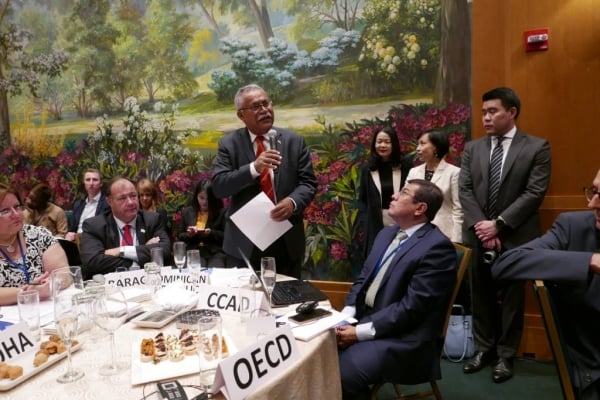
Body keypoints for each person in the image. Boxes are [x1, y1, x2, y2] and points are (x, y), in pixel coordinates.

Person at [459, 87, 551, 383]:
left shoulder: (537, 147)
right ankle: (483, 349)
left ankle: (506, 355)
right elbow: (465, 190)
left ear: (511, 112)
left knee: (513, 297)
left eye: (492, 111)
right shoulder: (473, 148)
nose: (485, 117)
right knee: (480, 293)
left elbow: (534, 192)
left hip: (516, 234)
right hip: (478, 234)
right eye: (483, 112)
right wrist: (483, 228)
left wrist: (498, 225)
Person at [337, 179, 457, 399]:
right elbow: (363, 279)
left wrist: (359, 333)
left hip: (405, 338)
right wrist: (347, 316)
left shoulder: (437, 248)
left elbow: (412, 309)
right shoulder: (387, 234)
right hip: (368, 319)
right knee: (314, 350)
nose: (393, 196)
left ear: (420, 208)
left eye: (403, 193)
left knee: (344, 374)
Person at [492, 169, 600, 400]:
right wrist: (588, 260)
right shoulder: (573, 227)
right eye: (593, 192)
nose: (592, 204)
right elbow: (507, 263)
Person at [211, 84, 317, 278]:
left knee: (287, 302)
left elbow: (308, 183)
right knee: (247, 303)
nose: (264, 110)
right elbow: (219, 187)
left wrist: (292, 202)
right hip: (244, 244)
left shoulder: (294, 141)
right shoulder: (229, 144)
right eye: (256, 106)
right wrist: (253, 168)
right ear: (241, 115)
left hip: (286, 241)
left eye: (266, 103)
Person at [79, 176, 171, 279]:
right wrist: (138, 261)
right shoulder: (94, 226)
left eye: (133, 196)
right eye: (122, 198)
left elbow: (165, 251)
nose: (131, 202)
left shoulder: (152, 220)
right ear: (109, 201)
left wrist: (121, 251)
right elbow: (92, 262)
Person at [0, 183, 69, 305]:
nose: (16, 214)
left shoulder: (39, 235)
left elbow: (63, 274)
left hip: (45, 311)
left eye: (17, 207)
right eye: (5, 211)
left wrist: (51, 284)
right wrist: (26, 293)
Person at [358, 126, 413, 258]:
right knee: (376, 258)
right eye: (379, 141)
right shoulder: (367, 168)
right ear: (374, 144)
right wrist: (366, 221)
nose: (382, 145)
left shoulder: (405, 165)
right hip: (375, 222)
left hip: (402, 220)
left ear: (394, 144)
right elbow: (363, 198)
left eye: (387, 142)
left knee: (399, 258)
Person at [406, 130, 463, 242]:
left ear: (436, 147)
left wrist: (456, 239)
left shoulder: (454, 173)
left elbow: (458, 208)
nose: (418, 148)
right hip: (415, 232)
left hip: (443, 233)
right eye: (418, 144)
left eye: (422, 144)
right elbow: (406, 200)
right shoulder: (413, 172)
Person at [177, 179, 226, 268]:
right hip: (194, 251)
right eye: (201, 198)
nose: (204, 202)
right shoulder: (187, 212)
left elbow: (226, 236)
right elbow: (180, 236)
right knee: (195, 272)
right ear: (196, 196)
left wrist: (211, 233)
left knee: (216, 273)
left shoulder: (221, 212)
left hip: (214, 252)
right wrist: (189, 235)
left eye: (208, 199)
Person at [65, 168, 109, 242]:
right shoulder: (78, 204)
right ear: (84, 183)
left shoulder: (107, 203)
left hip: (95, 241)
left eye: (95, 180)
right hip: (76, 241)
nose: (91, 183)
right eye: (88, 180)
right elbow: (72, 228)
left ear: (101, 183)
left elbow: (105, 230)